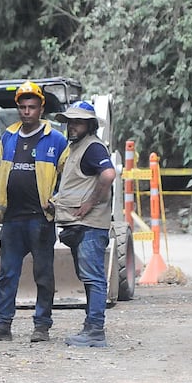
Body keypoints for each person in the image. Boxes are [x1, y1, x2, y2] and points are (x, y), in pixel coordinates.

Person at [0, 81, 68, 342]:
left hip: (40, 219)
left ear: (41, 108)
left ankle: (41, 326)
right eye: (22, 107)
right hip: (12, 219)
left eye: (32, 106)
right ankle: (2, 325)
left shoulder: (56, 139)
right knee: (7, 273)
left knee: (43, 274)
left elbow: (69, 177)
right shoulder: (8, 136)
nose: (27, 111)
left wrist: (59, 203)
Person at [49, 100, 117, 347]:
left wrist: (89, 203)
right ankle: (91, 326)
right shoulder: (77, 148)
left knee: (94, 278)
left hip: (90, 225)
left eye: (78, 122)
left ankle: (95, 330)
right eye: (70, 122)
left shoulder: (93, 148)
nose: (72, 126)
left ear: (89, 125)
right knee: (89, 277)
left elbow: (108, 175)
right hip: (81, 225)